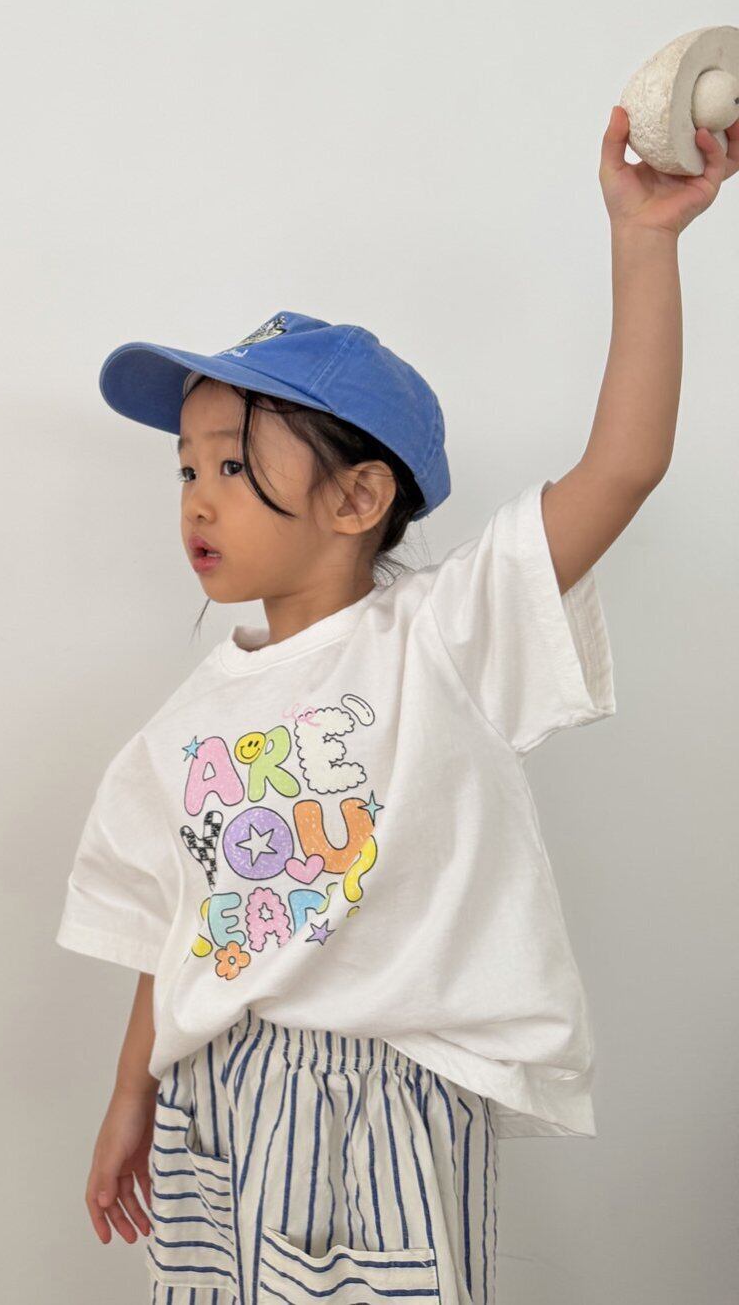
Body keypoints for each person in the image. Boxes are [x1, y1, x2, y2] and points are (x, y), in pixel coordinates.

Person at [55, 106, 737, 1305]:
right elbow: (175, 922)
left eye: (231, 464)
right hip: (217, 1089)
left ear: (357, 496)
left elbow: (622, 465)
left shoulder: (441, 633)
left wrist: (642, 241)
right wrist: (130, 1091)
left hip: (388, 1091)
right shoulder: (188, 721)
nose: (195, 499)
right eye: (186, 467)